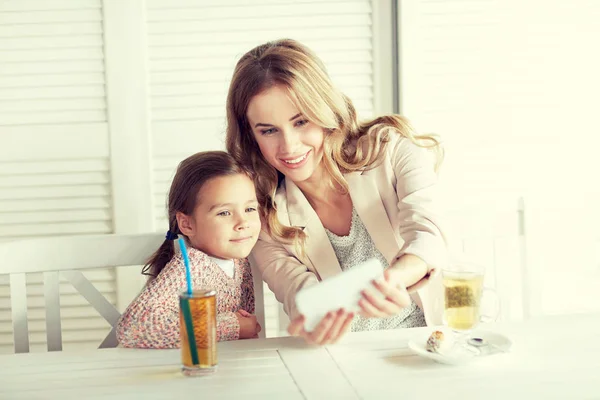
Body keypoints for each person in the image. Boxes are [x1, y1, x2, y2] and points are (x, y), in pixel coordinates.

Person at [225, 39, 447, 345]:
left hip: (431, 343)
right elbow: (296, 292)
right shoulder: (262, 213)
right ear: (251, 136)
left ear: (325, 111)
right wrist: (314, 313)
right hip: (343, 359)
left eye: (301, 121)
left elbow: (429, 235)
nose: (289, 147)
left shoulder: (392, 150)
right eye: (268, 130)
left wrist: (393, 280)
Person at [116, 151, 262, 348]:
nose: (243, 222)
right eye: (224, 212)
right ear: (187, 224)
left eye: (250, 209)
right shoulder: (191, 267)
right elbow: (133, 328)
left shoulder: (240, 257)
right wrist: (232, 326)